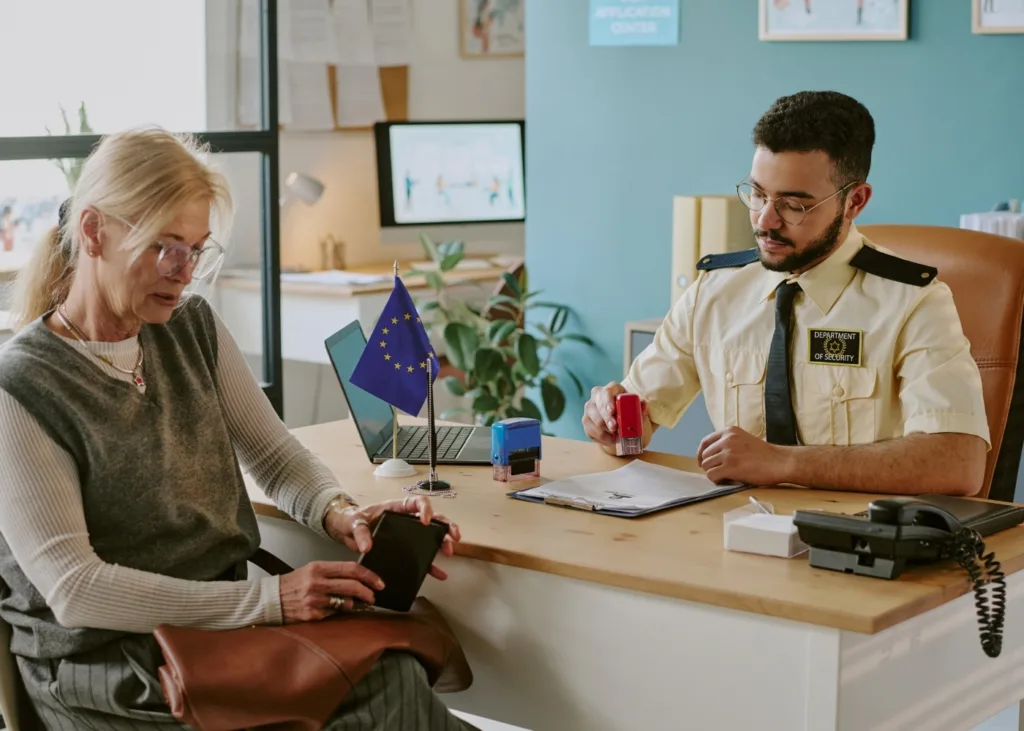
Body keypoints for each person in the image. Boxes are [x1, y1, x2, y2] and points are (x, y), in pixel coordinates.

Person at [0, 127, 477, 731]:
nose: (183, 273)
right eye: (164, 247)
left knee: (394, 675)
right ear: (93, 231)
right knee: (387, 700)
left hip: (216, 637)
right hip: (108, 670)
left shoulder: (190, 327)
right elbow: (75, 589)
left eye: (196, 250)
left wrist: (341, 513)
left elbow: (275, 457)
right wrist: (270, 600)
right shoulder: (21, 386)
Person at [582, 91, 989, 496]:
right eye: (758, 194)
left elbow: (958, 463)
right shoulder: (714, 291)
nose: (765, 221)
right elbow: (638, 419)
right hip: (730, 525)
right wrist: (611, 423)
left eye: (794, 205)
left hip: (855, 530)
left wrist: (784, 463)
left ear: (854, 202)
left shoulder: (915, 302)